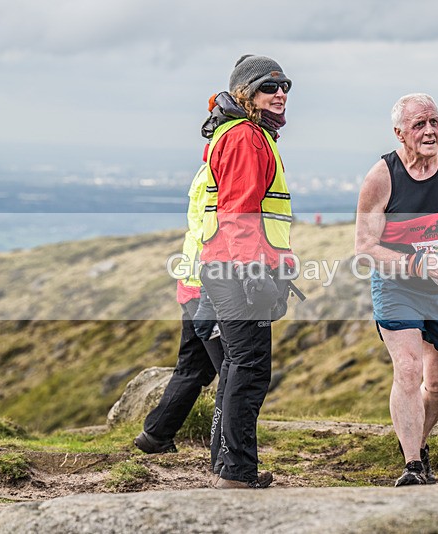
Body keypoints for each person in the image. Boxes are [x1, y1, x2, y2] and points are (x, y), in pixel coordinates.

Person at [355, 93, 438, 486]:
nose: (430, 131)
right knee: (409, 369)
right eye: (419, 125)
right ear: (399, 133)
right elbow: (364, 247)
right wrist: (414, 262)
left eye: (434, 121)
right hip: (398, 285)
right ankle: (412, 465)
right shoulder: (381, 177)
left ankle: (418, 442)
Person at [198, 54, 297, 489]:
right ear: (245, 94)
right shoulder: (244, 137)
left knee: (239, 365)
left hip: (225, 268)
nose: (279, 94)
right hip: (238, 271)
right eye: (268, 87)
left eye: (284, 87)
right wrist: (254, 272)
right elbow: (239, 212)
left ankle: (228, 467)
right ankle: (236, 472)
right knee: (251, 367)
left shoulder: (246, 133)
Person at [133, 163, 224, 455]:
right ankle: (229, 453)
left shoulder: (205, 170)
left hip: (192, 284)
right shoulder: (224, 169)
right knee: (234, 371)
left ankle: (156, 434)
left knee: (195, 367)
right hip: (210, 288)